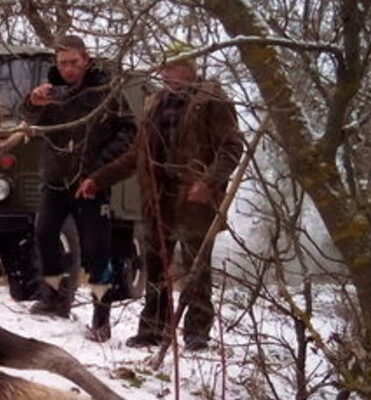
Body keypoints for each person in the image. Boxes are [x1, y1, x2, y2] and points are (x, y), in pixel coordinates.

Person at [79, 46, 244, 351]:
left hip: (195, 201)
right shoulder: (155, 103)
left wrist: (208, 183)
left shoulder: (212, 100)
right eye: (164, 69)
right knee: (155, 266)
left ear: (189, 69)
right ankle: (153, 330)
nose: (166, 74)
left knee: (196, 268)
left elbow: (232, 148)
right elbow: (136, 155)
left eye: (174, 68)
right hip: (158, 199)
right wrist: (98, 178)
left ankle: (196, 333)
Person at [20, 35, 134, 341]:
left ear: (86, 59)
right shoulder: (51, 92)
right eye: (62, 63)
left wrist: (99, 171)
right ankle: (54, 298)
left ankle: (101, 317)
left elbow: (128, 133)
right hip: (56, 181)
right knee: (44, 233)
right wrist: (32, 102)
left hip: (92, 184)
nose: (68, 68)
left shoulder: (106, 90)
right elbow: (28, 121)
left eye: (73, 62)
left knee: (97, 251)